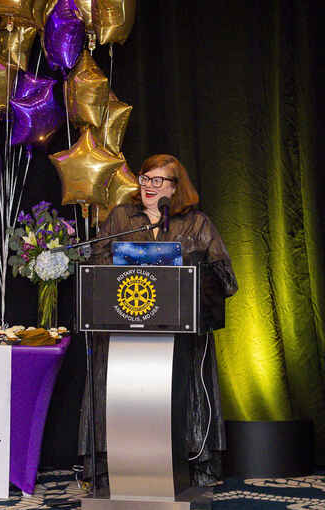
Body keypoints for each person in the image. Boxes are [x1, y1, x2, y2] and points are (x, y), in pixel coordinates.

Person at [78, 154, 238, 486]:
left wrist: (190, 272)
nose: (149, 186)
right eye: (145, 178)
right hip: (123, 330)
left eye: (158, 180)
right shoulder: (122, 217)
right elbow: (97, 262)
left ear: (176, 187)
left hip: (180, 336)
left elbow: (225, 277)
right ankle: (113, 466)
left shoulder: (196, 223)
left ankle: (189, 463)